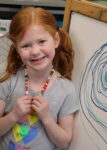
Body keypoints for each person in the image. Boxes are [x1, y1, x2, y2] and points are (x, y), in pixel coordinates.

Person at [0, 7, 79, 150]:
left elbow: (64, 142)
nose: (35, 51)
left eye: (42, 41)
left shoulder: (66, 90)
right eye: (26, 45)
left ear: (55, 40)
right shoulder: (8, 82)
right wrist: (14, 115)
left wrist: (47, 118)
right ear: (17, 49)